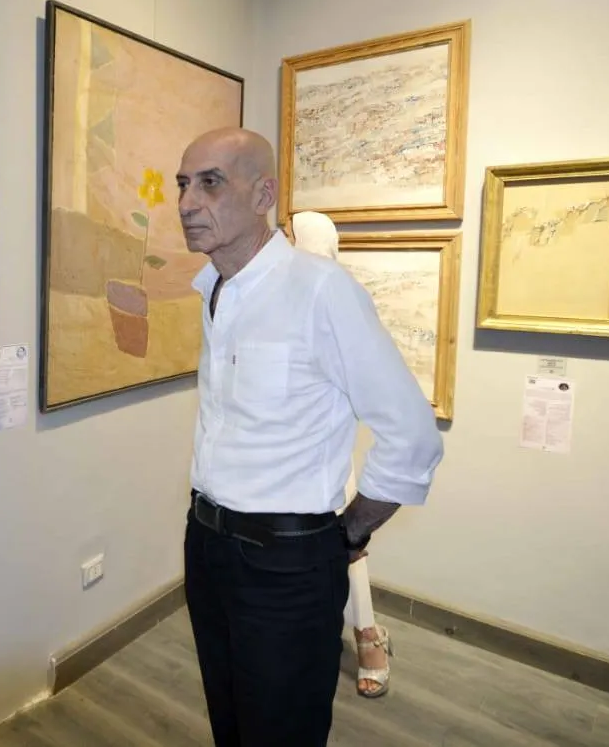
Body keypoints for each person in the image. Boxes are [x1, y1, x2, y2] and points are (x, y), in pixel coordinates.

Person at [177, 127, 443, 746]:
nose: (187, 203)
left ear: (263, 194)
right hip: (207, 546)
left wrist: (346, 534)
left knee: (282, 732)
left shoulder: (322, 290)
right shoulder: (215, 289)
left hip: (287, 564)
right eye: (183, 185)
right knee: (229, 720)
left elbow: (412, 437)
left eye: (210, 183)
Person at [291, 210, 393, 700]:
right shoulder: (277, 300)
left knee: (346, 549)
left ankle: (368, 636)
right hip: (284, 457)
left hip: (329, 453)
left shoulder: (345, 303)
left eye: (292, 236)